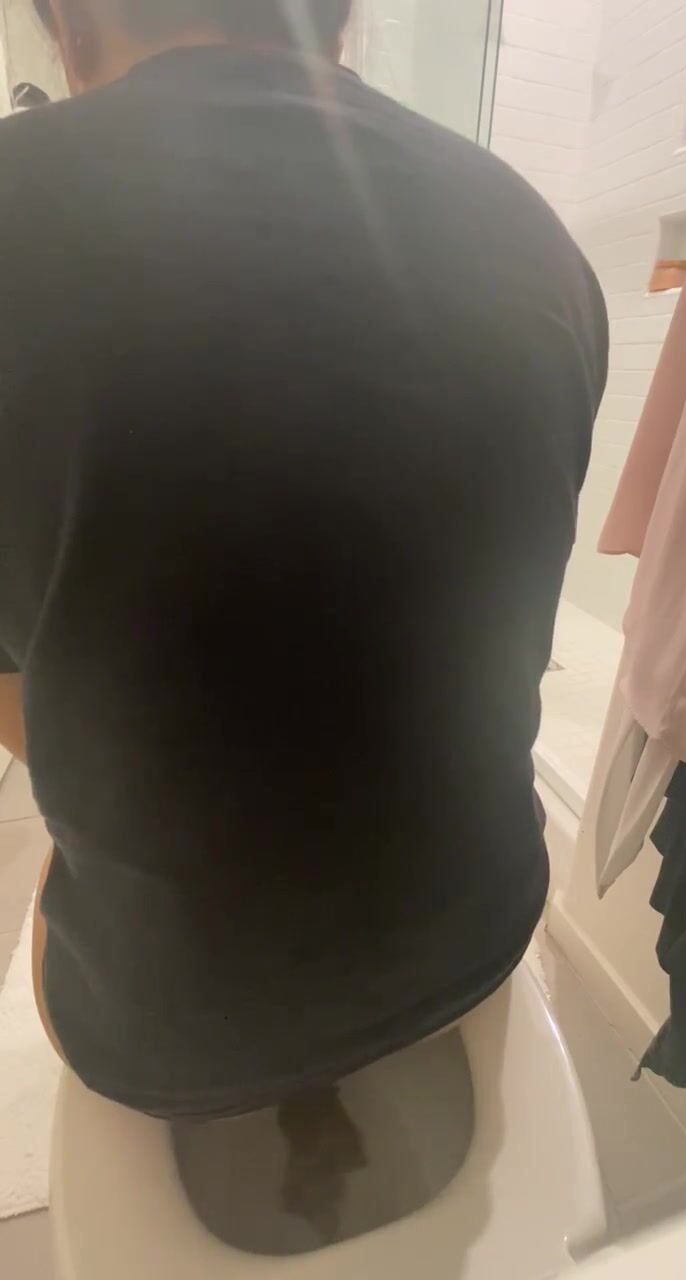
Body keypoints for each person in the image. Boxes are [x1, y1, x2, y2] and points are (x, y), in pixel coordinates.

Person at [0, 0, 608, 1121]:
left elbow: (29, 703)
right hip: (480, 928)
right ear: (340, 25)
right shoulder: (538, 236)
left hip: (161, 1030)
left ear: (72, 27)